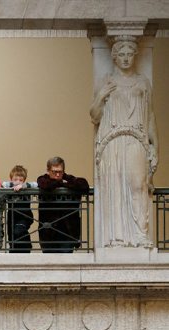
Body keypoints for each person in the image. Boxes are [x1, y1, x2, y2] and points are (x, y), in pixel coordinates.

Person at [90, 36, 158, 248]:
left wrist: (155, 147)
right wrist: (100, 97)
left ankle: (140, 235)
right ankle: (117, 238)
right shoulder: (107, 82)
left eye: (129, 54)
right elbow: (94, 115)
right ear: (114, 56)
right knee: (115, 187)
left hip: (136, 140)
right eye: (121, 54)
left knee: (138, 184)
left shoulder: (142, 83)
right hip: (112, 142)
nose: (126, 58)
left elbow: (149, 116)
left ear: (135, 56)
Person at [37, 156, 89, 253]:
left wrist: (62, 183)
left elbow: (84, 184)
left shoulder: (68, 178)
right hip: (48, 231)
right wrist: (62, 183)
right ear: (48, 170)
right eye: (54, 172)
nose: (57, 174)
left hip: (68, 231)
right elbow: (45, 185)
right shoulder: (43, 179)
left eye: (60, 172)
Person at [2, 165, 37, 252]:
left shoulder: (26, 187)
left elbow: (36, 184)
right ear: (11, 179)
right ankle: (14, 251)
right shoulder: (10, 186)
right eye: (15, 179)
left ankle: (27, 247)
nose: (18, 182)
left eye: (21, 180)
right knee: (12, 235)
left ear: (24, 180)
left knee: (19, 230)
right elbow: (3, 184)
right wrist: (11, 185)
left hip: (25, 216)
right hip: (12, 217)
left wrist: (24, 185)